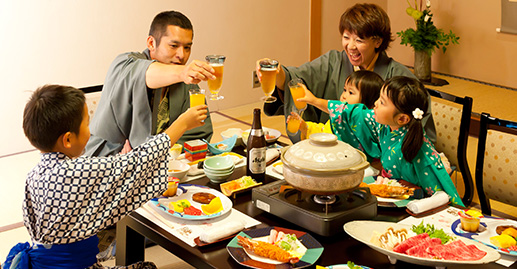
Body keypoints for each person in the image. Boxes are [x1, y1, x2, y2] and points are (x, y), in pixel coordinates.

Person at [3, 84, 207, 268]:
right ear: (67, 140)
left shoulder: (35, 174)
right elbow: (139, 160)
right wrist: (182, 124)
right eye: (86, 124)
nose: (89, 131)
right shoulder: (77, 171)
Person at [256, 3, 436, 144]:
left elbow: (416, 131)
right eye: (346, 37)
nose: (350, 46)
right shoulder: (334, 61)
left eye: (359, 40)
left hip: (378, 160)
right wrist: (277, 72)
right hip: (332, 152)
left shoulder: (399, 78)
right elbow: (295, 77)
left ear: (378, 42)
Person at [298, 76, 464, 206]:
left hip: (415, 207)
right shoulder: (385, 125)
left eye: (382, 102)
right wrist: (313, 100)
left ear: (403, 119)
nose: (375, 104)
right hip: (391, 197)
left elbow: (439, 197)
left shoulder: (420, 152)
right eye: (379, 98)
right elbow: (352, 113)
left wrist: (406, 191)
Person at [84, 10, 216, 157]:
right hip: (107, 162)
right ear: (151, 43)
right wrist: (182, 72)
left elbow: (197, 134)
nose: (182, 55)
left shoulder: (184, 79)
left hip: (162, 165)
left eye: (187, 48)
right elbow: (142, 72)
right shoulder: (124, 64)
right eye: (173, 46)